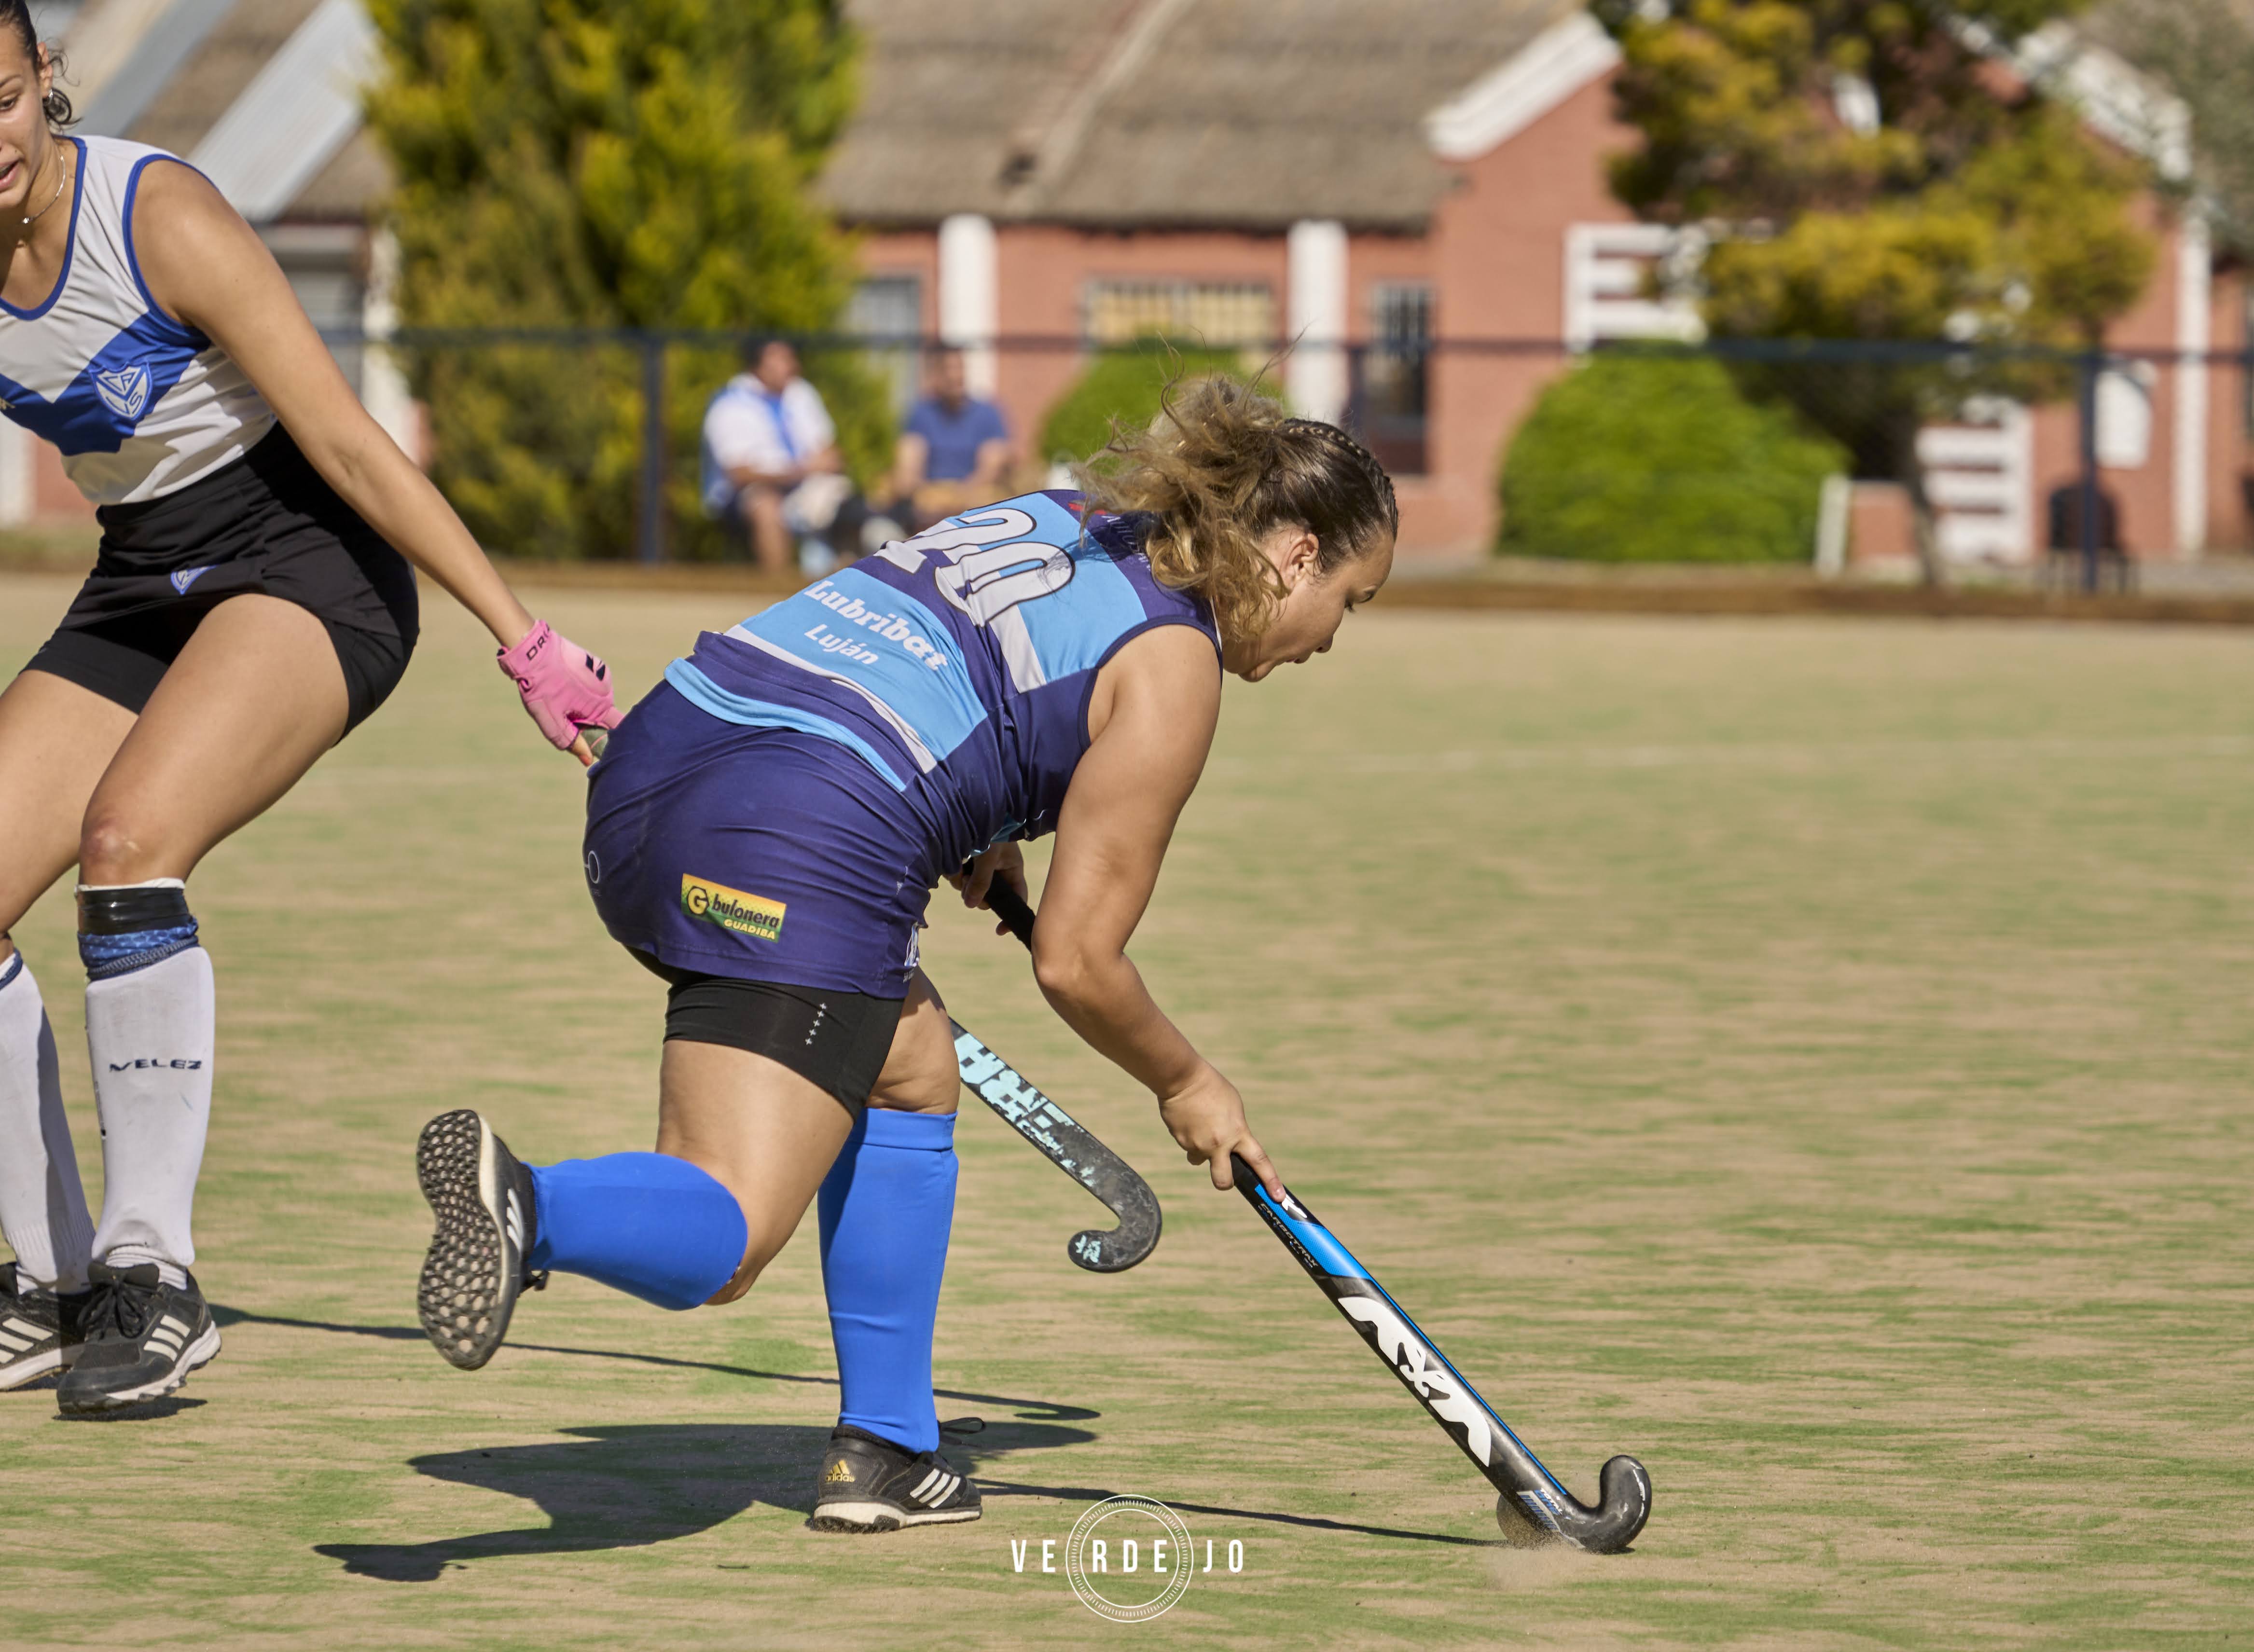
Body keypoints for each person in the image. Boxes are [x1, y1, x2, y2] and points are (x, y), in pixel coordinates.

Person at [411, 377, 1396, 1533]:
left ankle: (887, 1449)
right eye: (1350, 598)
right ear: (1294, 554)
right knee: (730, 1235)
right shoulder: (1173, 666)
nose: (1334, 636)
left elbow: (933, 659)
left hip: (651, 774)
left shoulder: (1061, 517)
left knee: (909, 1065)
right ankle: (533, 1207)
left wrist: (982, 822)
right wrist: (1186, 1082)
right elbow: (1077, 961)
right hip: (797, 840)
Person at [0, 10, 621, 1416]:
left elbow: (346, 439)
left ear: (44, 82)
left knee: (127, 843)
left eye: (2, 98)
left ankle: (155, 1277)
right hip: (142, 578)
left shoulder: (156, 217)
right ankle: (53, 1283)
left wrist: (521, 637)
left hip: (309, 562)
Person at [702, 336, 885, 574]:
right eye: (781, 359)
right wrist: (800, 471)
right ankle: (778, 587)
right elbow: (739, 474)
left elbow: (829, 451)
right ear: (757, 366)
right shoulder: (730, 403)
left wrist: (818, 466)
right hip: (747, 494)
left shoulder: (801, 392)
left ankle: (848, 581)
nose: (792, 366)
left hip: (803, 486)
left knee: (849, 503)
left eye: (791, 358)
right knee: (767, 507)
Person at [886, 346, 1013, 529]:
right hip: (930, 501)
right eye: (948, 369)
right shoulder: (920, 414)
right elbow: (908, 467)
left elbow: (991, 469)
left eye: (959, 368)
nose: (956, 376)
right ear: (934, 376)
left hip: (974, 501)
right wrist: (929, 495)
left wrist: (956, 497)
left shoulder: (988, 413)